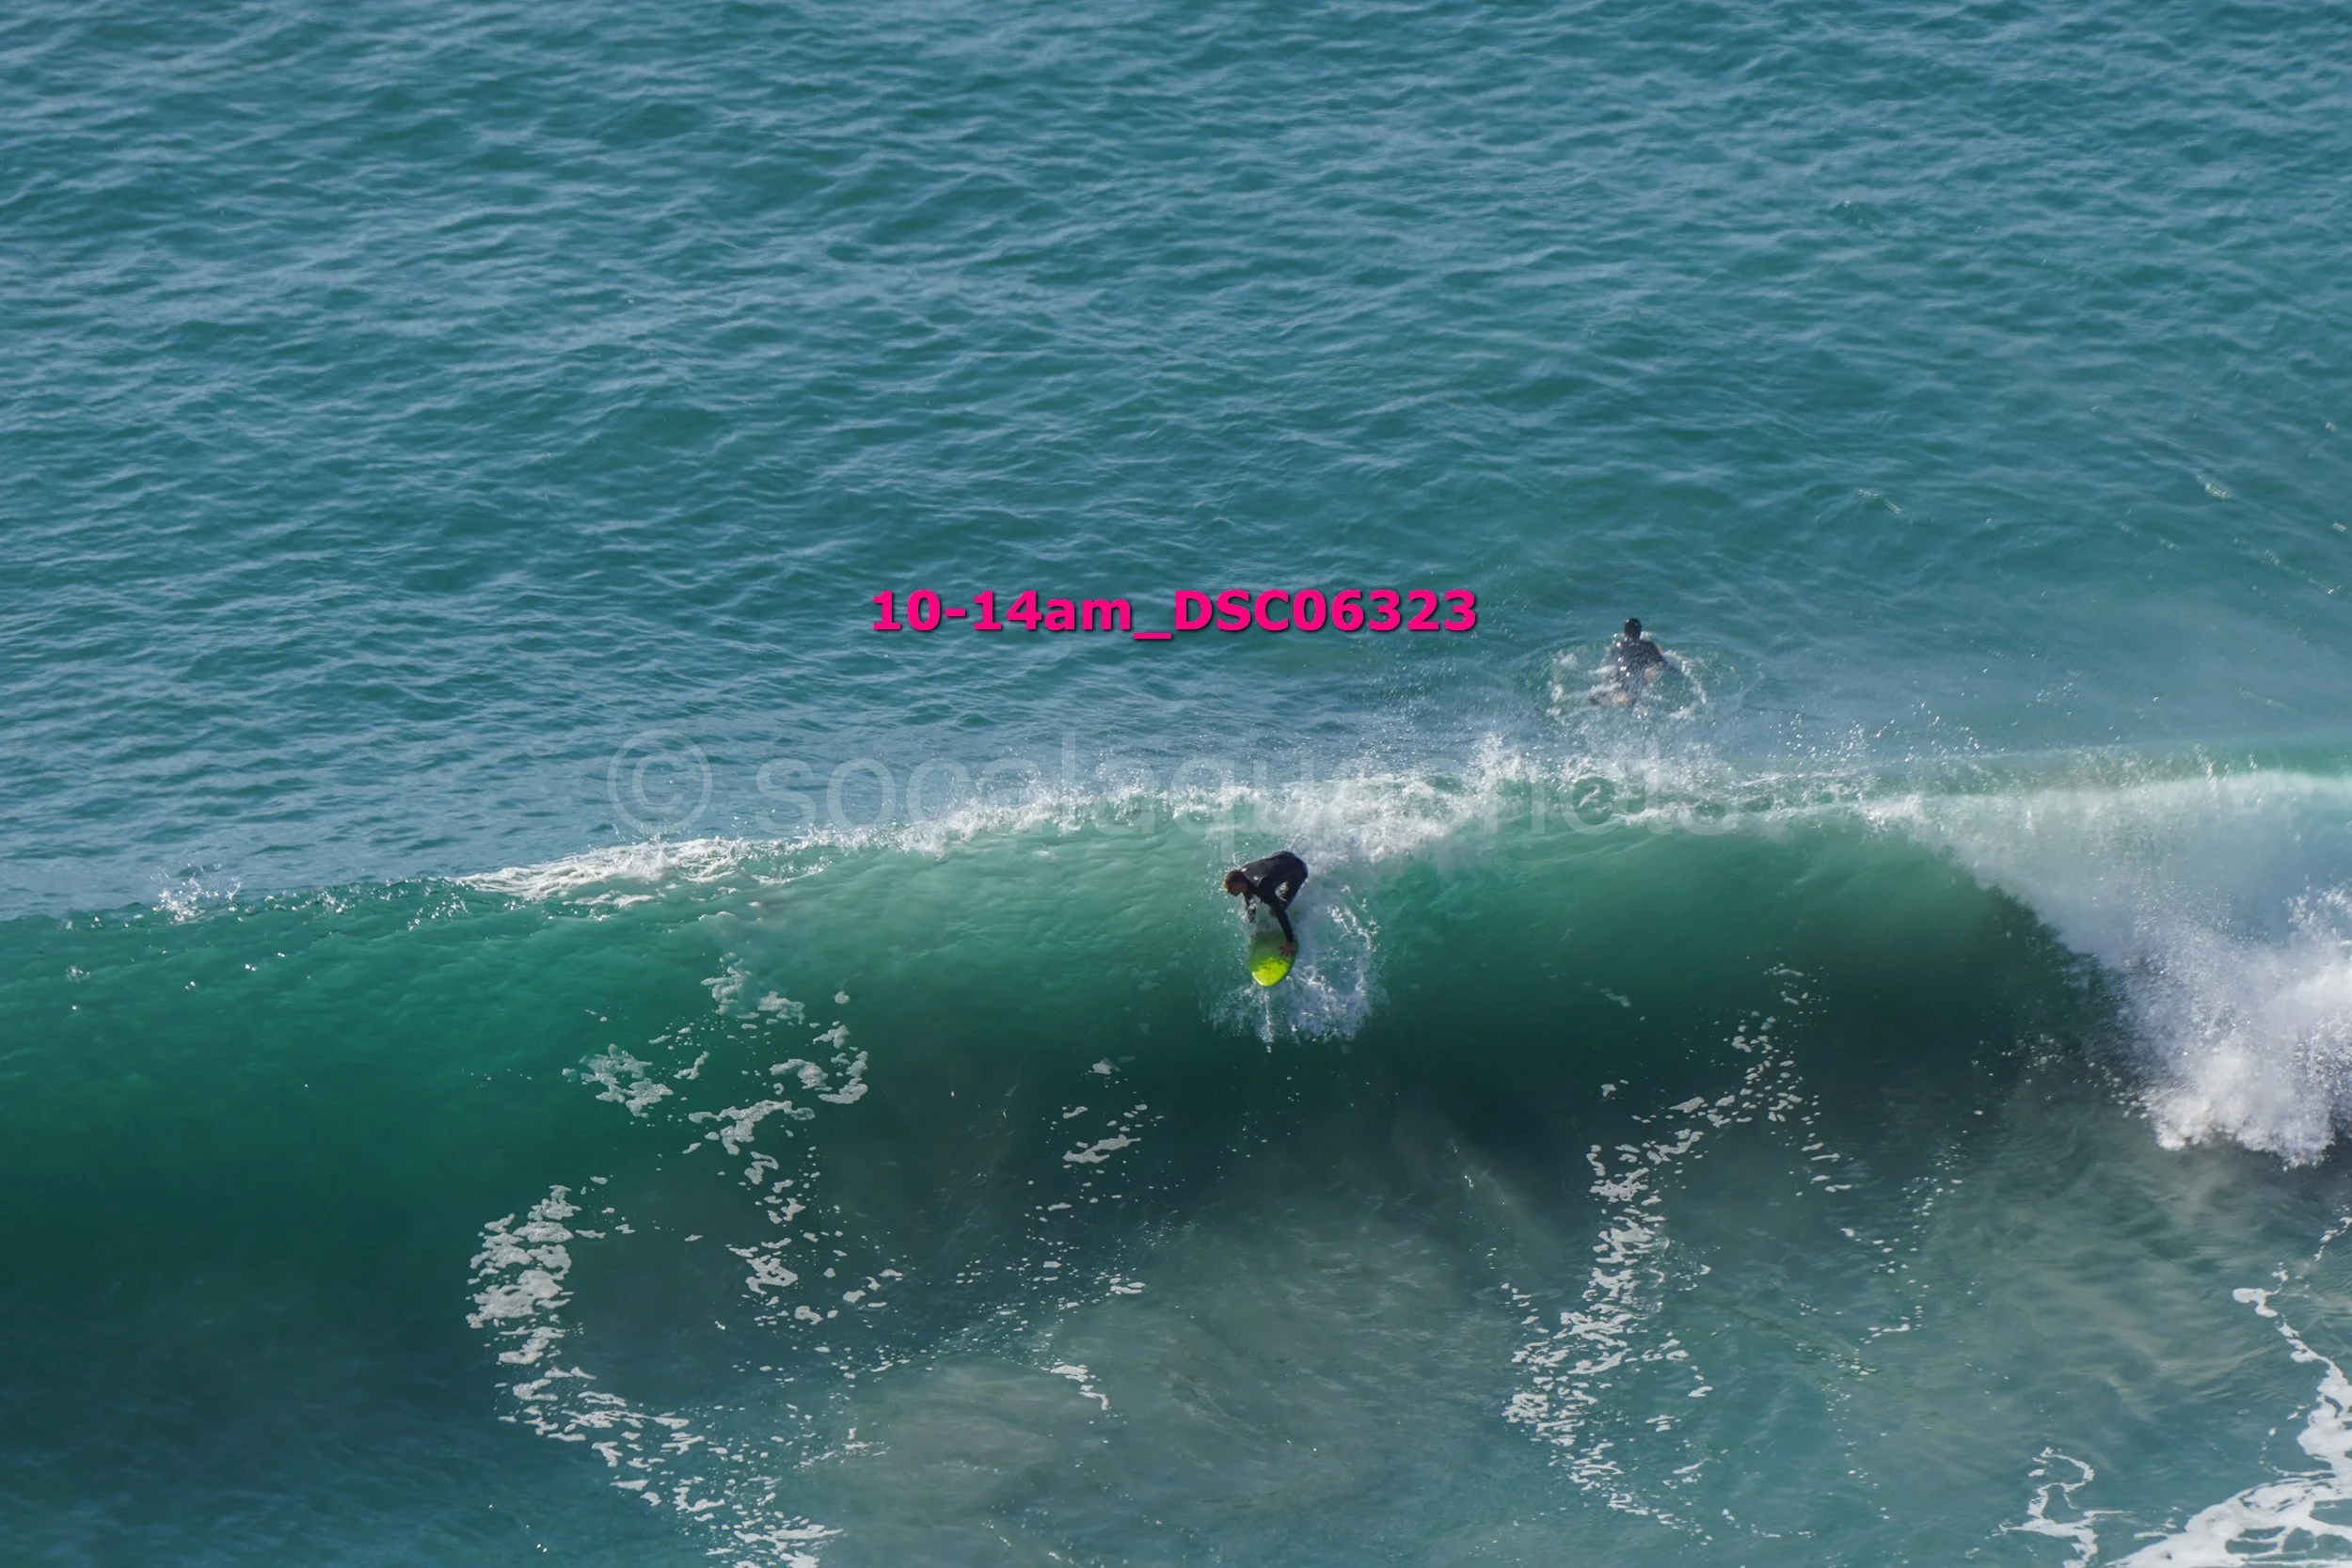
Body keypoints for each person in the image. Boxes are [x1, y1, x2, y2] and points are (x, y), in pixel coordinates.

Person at [1224, 850, 1307, 955]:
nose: (1228, 891)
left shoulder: (1261, 887)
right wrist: (1253, 927)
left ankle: (1291, 936)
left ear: (1240, 884)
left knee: (1275, 911)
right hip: (1284, 856)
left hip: (1298, 870)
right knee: (1270, 890)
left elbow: (1280, 912)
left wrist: (1290, 942)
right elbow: (1250, 903)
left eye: (1230, 888)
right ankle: (1278, 889)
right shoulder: (1242, 874)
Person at [1591, 617, 1669, 704]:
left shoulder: (1616, 646)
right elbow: (1661, 664)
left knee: (1616, 688)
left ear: (1625, 632)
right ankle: (1627, 699)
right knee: (1633, 692)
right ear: (1639, 631)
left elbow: (1607, 666)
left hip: (1618, 675)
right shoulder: (1648, 645)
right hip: (1636, 676)